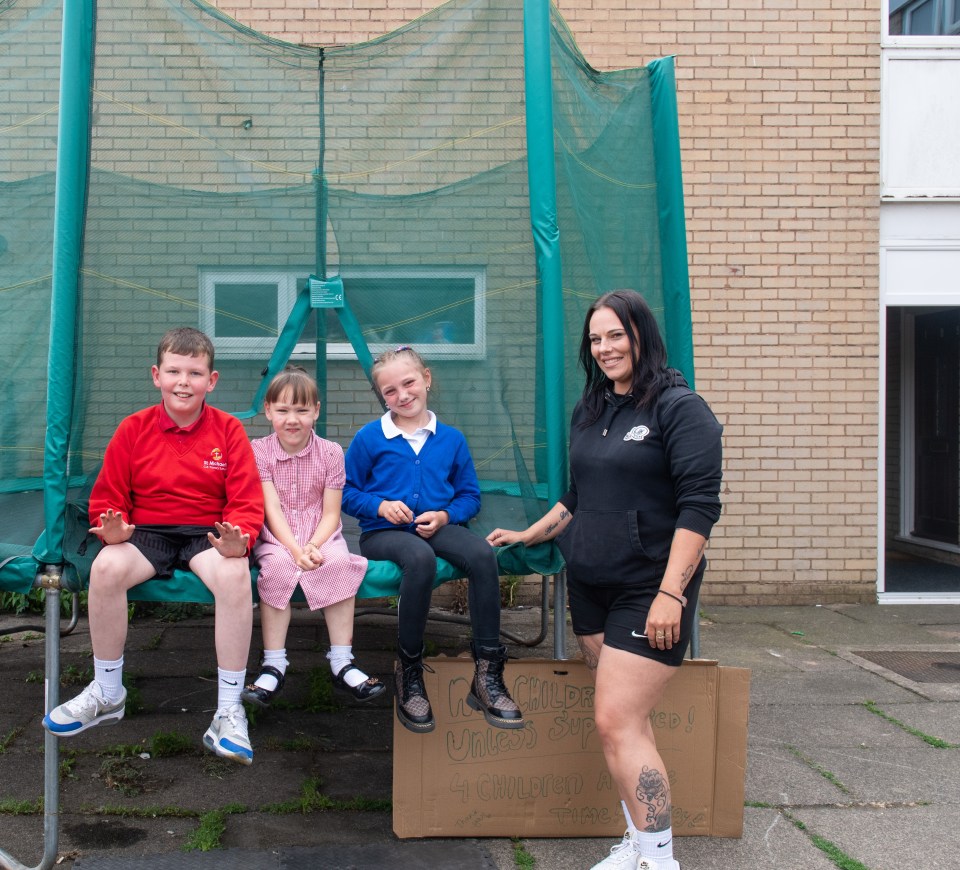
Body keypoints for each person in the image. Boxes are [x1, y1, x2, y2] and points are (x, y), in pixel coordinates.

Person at [486, 291, 722, 870]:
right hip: (592, 585)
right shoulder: (591, 407)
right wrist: (529, 535)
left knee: (615, 720)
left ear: (641, 334)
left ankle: (660, 860)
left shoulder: (680, 407)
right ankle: (638, 844)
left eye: (616, 334)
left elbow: (699, 508)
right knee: (625, 725)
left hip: (649, 589)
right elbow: (577, 496)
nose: (606, 347)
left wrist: (671, 594)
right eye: (596, 339)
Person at [42, 328, 264, 767]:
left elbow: (245, 498)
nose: (184, 381)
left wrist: (240, 537)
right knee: (105, 567)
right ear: (156, 375)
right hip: (147, 532)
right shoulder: (133, 428)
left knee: (236, 574)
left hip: (207, 533)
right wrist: (113, 529)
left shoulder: (229, 429)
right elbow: (108, 496)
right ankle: (107, 693)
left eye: (195, 372)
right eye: (174, 371)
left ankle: (228, 709)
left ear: (212, 380)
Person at [342, 346, 523, 735]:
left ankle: (488, 672)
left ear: (426, 378)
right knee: (420, 559)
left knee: (481, 553)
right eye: (390, 391)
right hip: (384, 535)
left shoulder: (451, 439)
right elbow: (347, 492)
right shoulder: (370, 438)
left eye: (408, 383)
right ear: (382, 396)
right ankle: (409, 672)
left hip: (438, 528)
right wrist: (379, 506)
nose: (402, 395)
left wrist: (445, 515)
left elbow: (469, 496)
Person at [241, 366, 384, 708]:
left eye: (302, 410)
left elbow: (332, 512)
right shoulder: (258, 450)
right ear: (268, 411)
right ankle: (274, 665)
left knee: (338, 563)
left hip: (321, 533)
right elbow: (271, 509)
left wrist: (314, 546)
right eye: (283, 410)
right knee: (275, 569)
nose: (293, 419)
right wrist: (294, 550)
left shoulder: (332, 452)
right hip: (278, 536)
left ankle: (342, 660)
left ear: (316, 411)